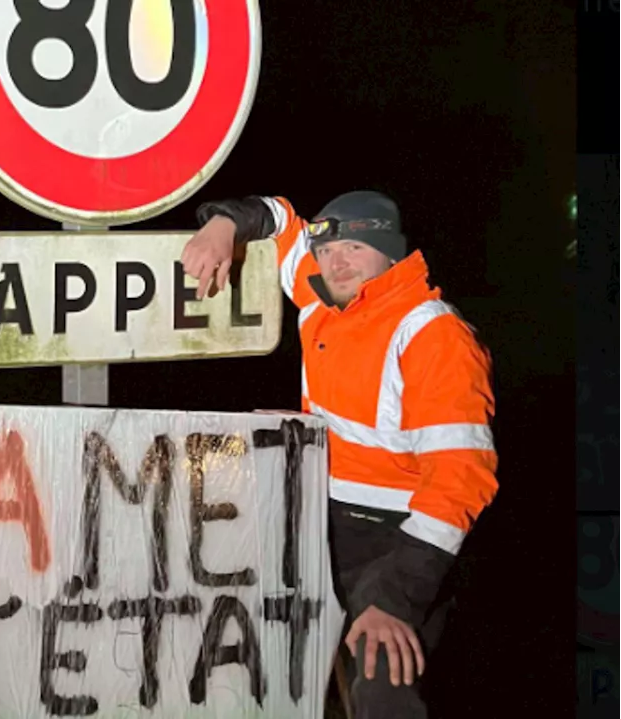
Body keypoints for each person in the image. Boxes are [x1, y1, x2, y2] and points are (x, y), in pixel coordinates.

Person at [179, 190, 498, 718]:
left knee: (380, 686)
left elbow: (462, 479)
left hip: (397, 543)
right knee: (288, 680)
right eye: (327, 251)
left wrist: (395, 598)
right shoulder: (324, 296)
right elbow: (280, 221)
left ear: (390, 253)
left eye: (354, 247)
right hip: (321, 528)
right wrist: (222, 226)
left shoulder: (433, 335)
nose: (337, 262)